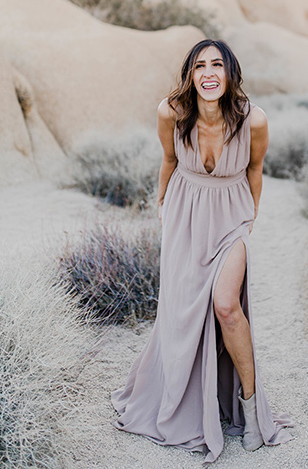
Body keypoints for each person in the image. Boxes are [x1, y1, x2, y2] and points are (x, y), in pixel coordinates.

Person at [111, 39, 294, 464]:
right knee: (182, 313)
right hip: (184, 215)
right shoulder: (170, 113)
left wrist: (248, 223)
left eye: (217, 64)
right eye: (199, 66)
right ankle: (183, 397)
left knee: (226, 307)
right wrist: (161, 207)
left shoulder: (255, 120)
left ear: (229, 73)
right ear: (190, 76)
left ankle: (250, 411)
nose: (208, 73)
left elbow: (254, 170)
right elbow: (169, 161)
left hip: (231, 218)